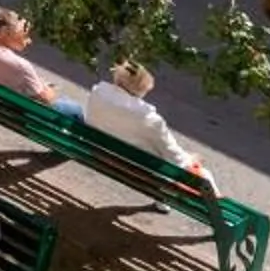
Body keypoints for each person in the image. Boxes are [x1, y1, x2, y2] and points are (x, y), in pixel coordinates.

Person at [83, 62, 215, 189]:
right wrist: (190, 159)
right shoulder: (149, 119)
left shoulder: (97, 93)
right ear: (141, 90)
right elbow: (174, 156)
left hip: (98, 153)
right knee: (205, 175)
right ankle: (162, 200)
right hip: (139, 170)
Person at [0, 7, 83, 119]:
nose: (29, 41)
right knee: (75, 108)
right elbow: (48, 100)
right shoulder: (21, 65)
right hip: (15, 112)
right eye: (24, 35)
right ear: (5, 33)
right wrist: (46, 87)